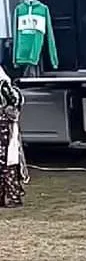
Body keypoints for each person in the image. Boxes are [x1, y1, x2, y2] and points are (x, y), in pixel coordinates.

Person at [0, 67, 28, 208]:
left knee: (7, 161)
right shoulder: (4, 83)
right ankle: (10, 196)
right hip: (5, 122)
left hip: (4, 123)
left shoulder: (3, 84)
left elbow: (13, 101)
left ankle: (11, 196)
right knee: (7, 161)